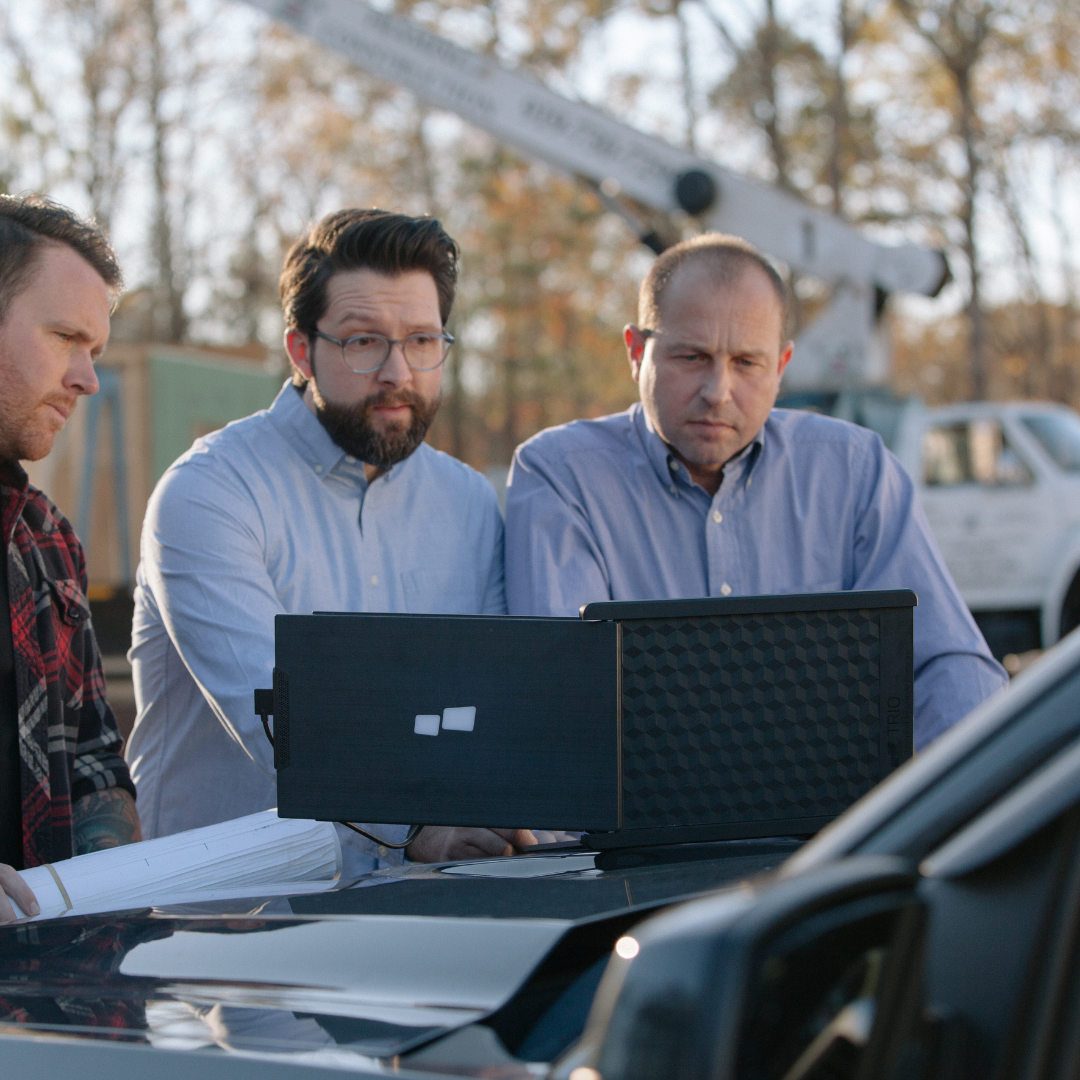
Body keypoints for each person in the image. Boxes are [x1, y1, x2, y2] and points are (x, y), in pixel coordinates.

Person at [126, 209, 534, 869]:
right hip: (232, 909)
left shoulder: (468, 503)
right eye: (363, 341)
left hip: (437, 903)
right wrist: (412, 824)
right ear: (300, 350)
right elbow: (280, 722)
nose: (398, 372)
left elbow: (483, 705)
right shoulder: (210, 493)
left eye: (422, 340)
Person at [505, 233, 1007, 750]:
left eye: (746, 362)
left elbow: (947, 664)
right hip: (643, 801)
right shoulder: (562, 477)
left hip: (843, 801)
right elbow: (560, 697)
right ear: (636, 352)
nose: (717, 391)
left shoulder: (855, 470)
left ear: (781, 367)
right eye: (692, 357)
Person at [0, 195, 141, 923]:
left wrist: (120, 878)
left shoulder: (48, 540)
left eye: (96, 351)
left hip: (52, 975)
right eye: (64, 337)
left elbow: (93, 763)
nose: (87, 379)